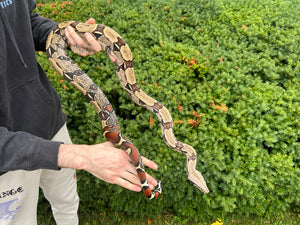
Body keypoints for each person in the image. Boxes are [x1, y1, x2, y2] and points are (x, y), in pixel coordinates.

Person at [0, 1, 158, 225]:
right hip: (9, 161)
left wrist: (62, 36)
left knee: (67, 201)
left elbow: (25, 20)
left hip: (48, 122)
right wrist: (83, 156)